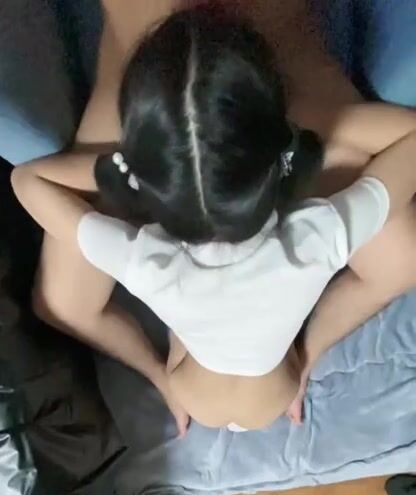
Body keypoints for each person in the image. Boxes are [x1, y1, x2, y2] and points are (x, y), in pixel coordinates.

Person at [10, 7, 416, 435]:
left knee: (62, 303)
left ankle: (177, 373)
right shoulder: (317, 235)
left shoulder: (146, 261)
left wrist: (125, 172)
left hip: (203, 387)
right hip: (263, 389)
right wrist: (315, 140)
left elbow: (29, 185)